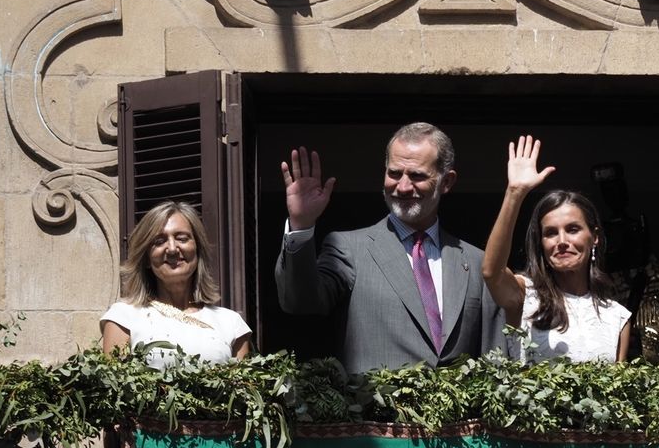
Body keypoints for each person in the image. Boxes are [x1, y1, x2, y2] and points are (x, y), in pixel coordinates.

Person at [275, 123, 504, 373]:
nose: (403, 187)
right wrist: (301, 225)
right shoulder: (350, 249)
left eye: (417, 176)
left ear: (446, 182)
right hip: (375, 411)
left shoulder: (477, 261)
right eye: (394, 173)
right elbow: (300, 302)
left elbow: (494, 358)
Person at [482, 136, 631, 363]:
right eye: (551, 233)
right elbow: (492, 272)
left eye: (573, 229)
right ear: (541, 243)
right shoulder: (524, 296)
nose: (561, 240)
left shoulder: (616, 316)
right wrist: (515, 193)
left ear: (595, 237)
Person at [101, 201, 251, 368]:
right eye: (159, 241)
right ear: (146, 259)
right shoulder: (124, 317)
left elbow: (241, 389)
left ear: (197, 249)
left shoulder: (231, 323)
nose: (172, 249)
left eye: (182, 238)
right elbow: (116, 389)